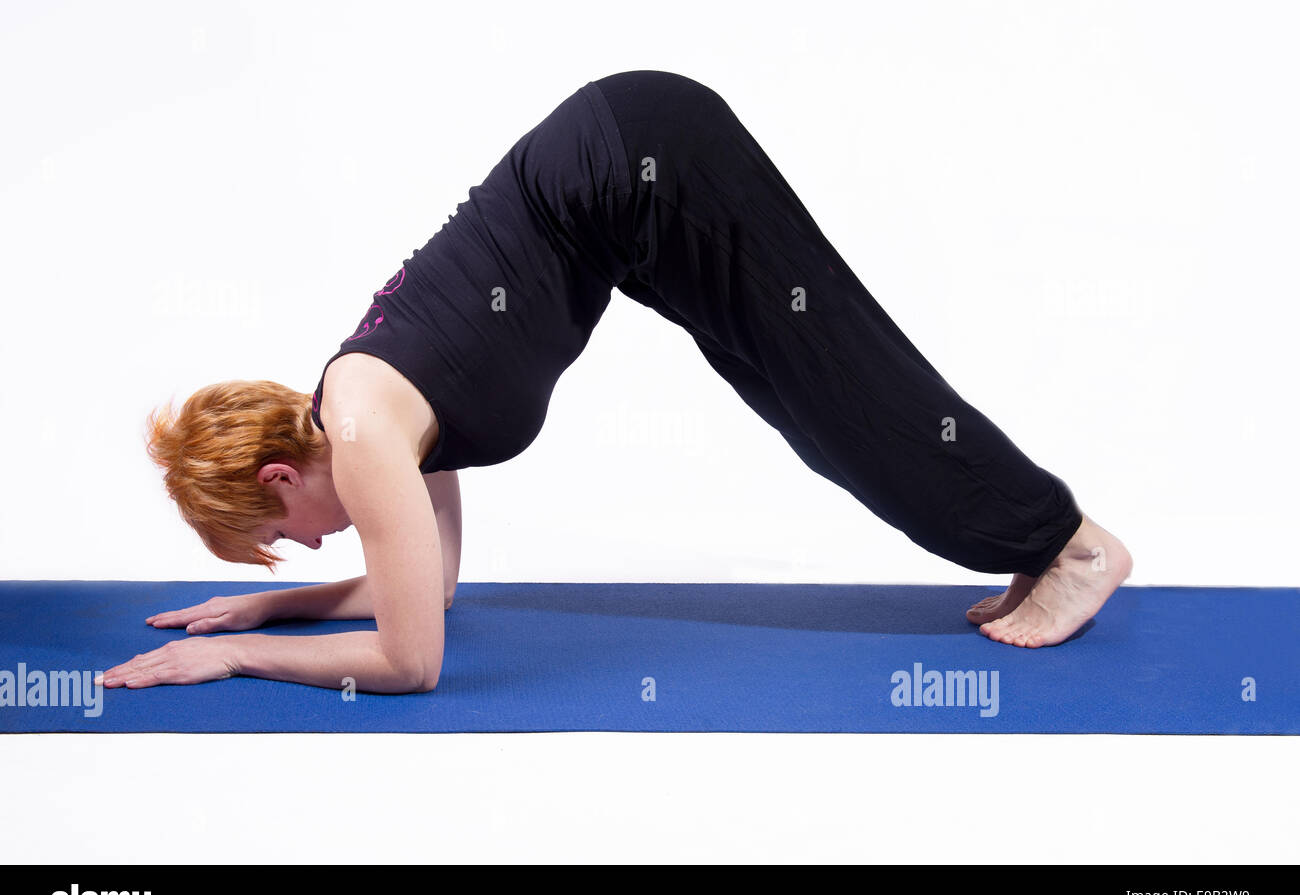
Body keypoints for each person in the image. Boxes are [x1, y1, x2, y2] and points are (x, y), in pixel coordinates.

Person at [101, 70, 1131, 695]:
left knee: (843, 381)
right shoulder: (368, 412)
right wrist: (272, 613)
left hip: (643, 162)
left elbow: (411, 663)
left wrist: (237, 661)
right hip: (633, 195)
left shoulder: (365, 433)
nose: (313, 547)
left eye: (286, 536)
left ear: (281, 477)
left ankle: (1066, 546)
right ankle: (1032, 542)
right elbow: (433, 591)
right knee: (816, 413)